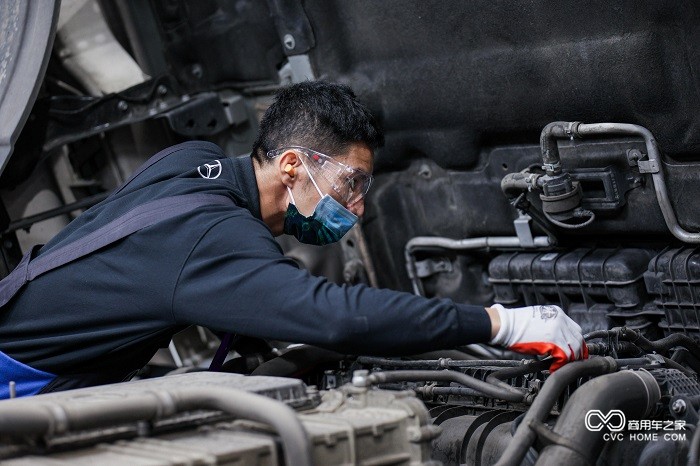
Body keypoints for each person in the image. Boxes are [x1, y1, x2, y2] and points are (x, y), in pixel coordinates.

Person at [0, 81, 586, 397]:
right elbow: (335, 316)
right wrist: (502, 324)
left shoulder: (197, 162)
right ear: (290, 164)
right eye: (349, 183)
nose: (356, 207)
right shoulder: (213, 236)